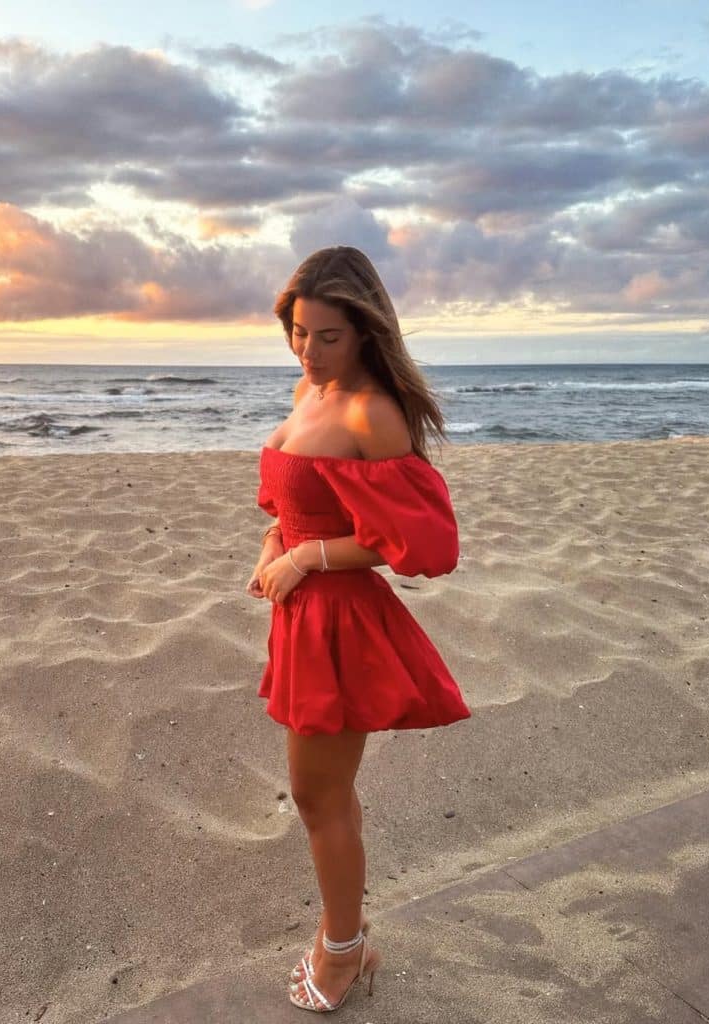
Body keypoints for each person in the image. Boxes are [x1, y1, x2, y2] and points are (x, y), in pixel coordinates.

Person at [245, 246, 470, 1014]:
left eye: (328, 336)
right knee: (329, 795)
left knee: (316, 798)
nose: (308, 351)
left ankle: (343, 951)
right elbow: (297, 500)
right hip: (300, 619)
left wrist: (307, 556)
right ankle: (347, 930)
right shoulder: (309, 391)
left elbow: (420, 544)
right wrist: (275, 543)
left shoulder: (369, 412)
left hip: (339, 625)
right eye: (298, 331)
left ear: (366, 332)